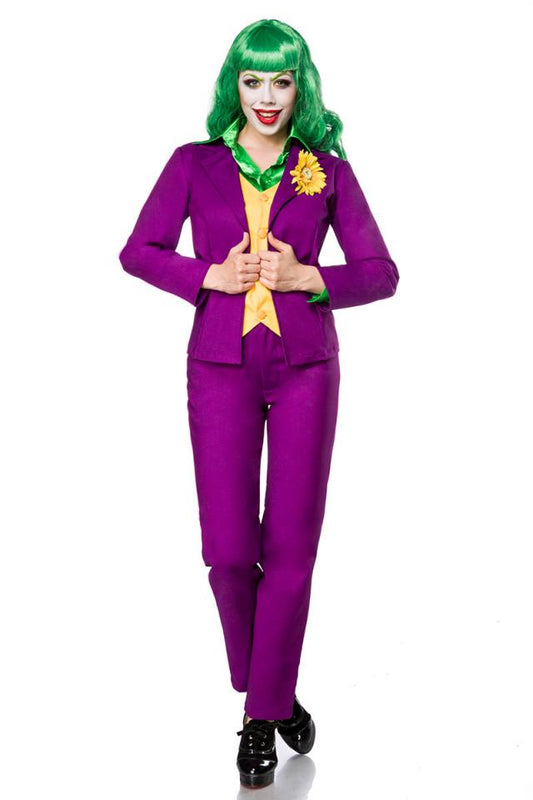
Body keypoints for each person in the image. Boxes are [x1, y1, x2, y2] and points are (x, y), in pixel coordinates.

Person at [119, 18, 399, 790]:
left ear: (299, 86)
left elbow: (380, 272)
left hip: (306, 368)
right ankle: (274, 690)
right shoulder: (193, 163)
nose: (267, 96)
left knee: (292, 549)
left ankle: (258, 718)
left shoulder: (324, 170)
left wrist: (313, 278)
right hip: (220, 366)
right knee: (226, 549)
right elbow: (137, 251)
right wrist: (206, 275)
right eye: (252, 80)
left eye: (281, 80)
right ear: (233, 86)